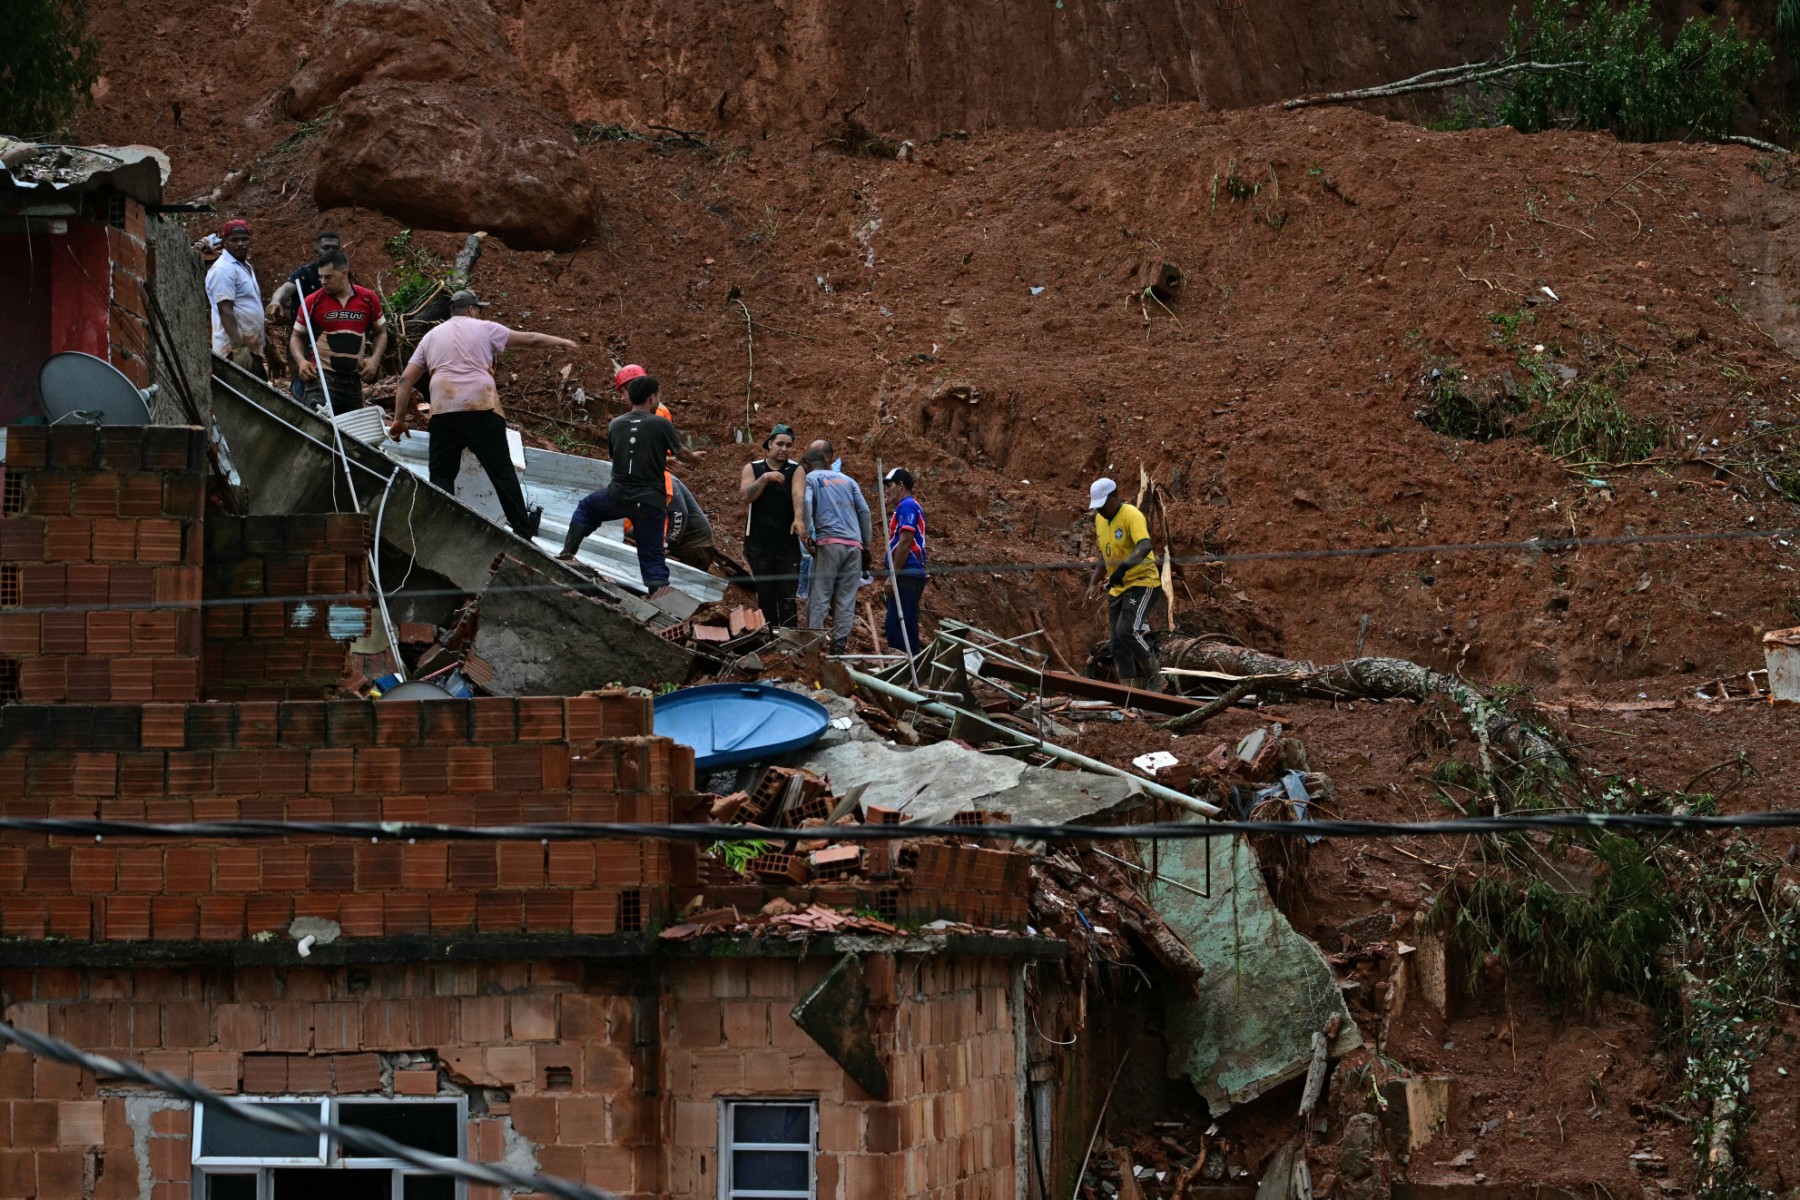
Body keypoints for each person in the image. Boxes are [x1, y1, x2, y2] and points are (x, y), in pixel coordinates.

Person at [387, 289, 562, 540]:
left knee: (442, 475)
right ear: (471, 310)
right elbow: (531, 340)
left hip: (444, 411)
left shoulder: (430, 337)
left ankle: (440, 528)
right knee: (501, 470)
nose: (480, 313)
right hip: (481, 408)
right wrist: (564, 343)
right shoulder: (485, 328)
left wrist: (399, 419)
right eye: (479, 309)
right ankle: (523, 530)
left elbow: (405, 380)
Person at [559, 375, 706, 594]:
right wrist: (694, 458)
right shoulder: (662, 424)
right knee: (653, 558)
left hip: (617, 496)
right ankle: (659, 598)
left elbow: (617, 454)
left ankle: (567, 553)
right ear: (652, 397)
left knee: (587, 509)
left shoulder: (615, 424)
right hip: (650, 502)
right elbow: (681, 454)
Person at [1087, 477, 1164, 691]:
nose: (1100, 511)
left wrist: (1123, 568)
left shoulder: (1131, 515)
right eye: (1097, 507)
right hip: (1118, 587)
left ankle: (1156, 678)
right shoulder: (1100, 521)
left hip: (1142, 582)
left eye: (1103, 505)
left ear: (1114, 497)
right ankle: (1131, 692)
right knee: (1116, 644)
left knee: (1126, 631)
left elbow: (1145, 545)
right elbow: (1104, 555)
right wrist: (1093, 582)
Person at [290, 248, 386, 415]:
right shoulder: (312, 301)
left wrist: (374, 360)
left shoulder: (368, 298)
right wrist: (301, 362)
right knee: (316, 428)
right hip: (321, 379)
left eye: (328, 277)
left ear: (345, 273)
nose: (323, 281)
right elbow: (296, 336)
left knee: (351, 434)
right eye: (320, 277)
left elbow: (382, 333)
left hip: (353, 380)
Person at [798, 440, 871, 655]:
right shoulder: (848, 481)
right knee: (846, 598)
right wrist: (865, 545)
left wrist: (809, 535)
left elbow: (807, 504)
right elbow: (864, 512)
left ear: (809, 463)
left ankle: (813, 645)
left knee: (820, 593)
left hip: (829, 543)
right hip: (854, 546)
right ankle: (838, 646)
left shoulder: (810, 479)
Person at [739, 423, 806, 627]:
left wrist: (798, 518)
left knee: (787, 596)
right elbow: (745, 496)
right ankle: (768, 638)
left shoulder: (795, 469)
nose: (784, 449)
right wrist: (765, 478)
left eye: (789, 445)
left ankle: (789, 639)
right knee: (765, 594)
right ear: (769, 444)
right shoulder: (754, 468)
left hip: (787, 543)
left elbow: (798, 494)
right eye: (780, 444)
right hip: (759, 543)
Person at [267, 230, 343, 401]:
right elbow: (286, 289)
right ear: (316, 249)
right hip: (304, 343)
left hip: (334, 346)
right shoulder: (305, 274)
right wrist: (276, 301)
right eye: (326, 247)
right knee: (306, 392)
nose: (330, 251)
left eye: (335, 248)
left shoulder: (342, 278)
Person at [205, 218, 264, 377]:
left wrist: (269, 347)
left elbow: (251, 309)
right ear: (224, 242)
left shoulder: (246, 267)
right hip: (233, 351)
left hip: (250, 348)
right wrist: (238, 347)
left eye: (244, 239)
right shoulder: (224, 269)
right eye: (234, 240)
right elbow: (225, 310)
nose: (240, 244)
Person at [881, 467, 927, 655]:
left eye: (889, 485)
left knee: (896, 624)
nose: (887, 491)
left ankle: (904, 668)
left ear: (900, 486)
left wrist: (893, 575)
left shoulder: (906, 506)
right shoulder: (910, 505)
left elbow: (906, 541)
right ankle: (914, 666)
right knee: (907, 623)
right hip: (911, 572)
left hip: (906, 572)